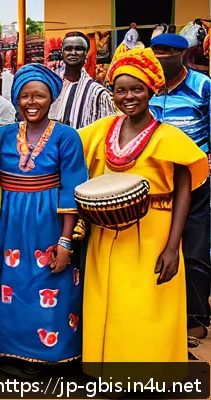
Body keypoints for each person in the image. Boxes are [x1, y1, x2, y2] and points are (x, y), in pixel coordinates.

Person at [79, 47, 208, 368]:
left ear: (152, 89)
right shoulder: (99, 131)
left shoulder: (170, 137)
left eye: (137, 88)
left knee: (149, 307)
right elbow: (66, 152)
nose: (128, 96)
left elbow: (183, 194)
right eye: (120, 90)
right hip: (107, 234)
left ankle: (153, 375)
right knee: (109, 303)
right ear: (111, 94)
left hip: (155, 234)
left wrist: (172, 247)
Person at [0, 63, 88, 378]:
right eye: (25, 96)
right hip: (6, 223)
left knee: (49, 282)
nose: (32, 103)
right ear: (16, 99)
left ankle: (48, 355)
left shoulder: (67, 137)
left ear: (52, 99)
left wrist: (64, 240)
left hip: (49, 223)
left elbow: (72, 188)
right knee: (9, 285)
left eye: (40, 96)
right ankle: (9, 351)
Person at [148, 33, 211, 347]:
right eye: (156, 51)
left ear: (183, 53)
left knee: (196, 249)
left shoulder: (203, 86)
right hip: (156, 183)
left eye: (168, 52)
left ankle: (196, 321)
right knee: (159, 248)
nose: (161, 57)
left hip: (196, 179)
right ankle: (161, 317)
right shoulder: (146, 85)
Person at [49, 32, 116, 129]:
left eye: (78, 49)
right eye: (68, 49)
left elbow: (107, 129)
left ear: (86, 53)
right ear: (62, 52)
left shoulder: (98, 93)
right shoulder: (50, 86)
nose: (73, 53)